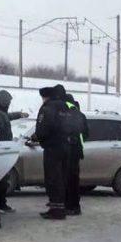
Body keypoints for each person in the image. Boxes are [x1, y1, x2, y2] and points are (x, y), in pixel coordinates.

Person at [33, 85, 71, 220]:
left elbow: (43, 130)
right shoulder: (65, 107)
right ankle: (60, 207)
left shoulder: (47, 109)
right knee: (61, 178)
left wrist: (36, 137)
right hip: (65, 147)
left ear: (45, 97)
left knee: (52, 179)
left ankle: (56, 210)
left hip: (52, 148)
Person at [63, 93, 89, 216]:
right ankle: (74, 206)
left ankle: (70, 205)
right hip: (76, 152)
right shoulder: (80, 115)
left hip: (68, 151)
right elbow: (86, 134)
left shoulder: (67, 115)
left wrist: (70, 140)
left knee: (68, 180)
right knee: (73, 180)